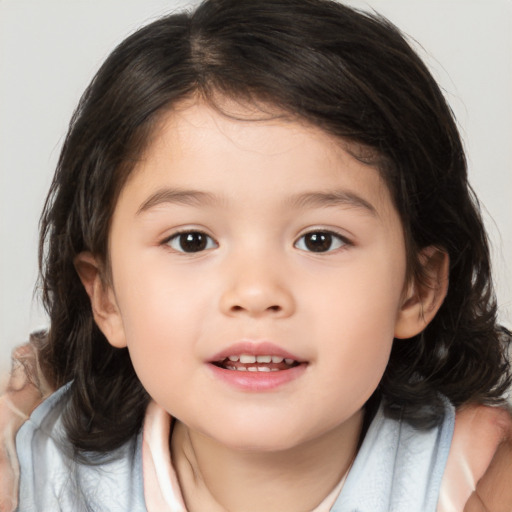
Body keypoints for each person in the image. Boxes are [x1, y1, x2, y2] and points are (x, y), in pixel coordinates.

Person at [1, 0, 511, 510]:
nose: (256, 292)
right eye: (192, 240)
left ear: (415, 289)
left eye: (319, 240)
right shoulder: (35, 477)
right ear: (107, 296)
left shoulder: (475, 480)